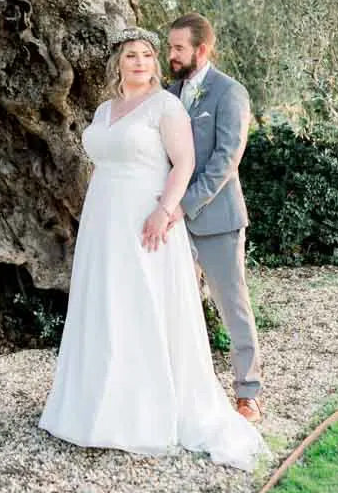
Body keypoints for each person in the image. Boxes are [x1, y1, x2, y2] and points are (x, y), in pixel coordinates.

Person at [39, 27, 267, 470]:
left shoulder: (168, 104)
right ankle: (97, 405)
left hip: (151, 219)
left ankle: (239, 395)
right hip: (105, 221)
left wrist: (166, 210)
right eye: (131, 55)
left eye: (148, 54)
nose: (140, 61)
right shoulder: (106, 108)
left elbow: (189, 162)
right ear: (118, 63)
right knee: (106, 307)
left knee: (153, 306)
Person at [167, 13, 263, 423]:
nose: (170, 55)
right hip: (172, 223)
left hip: (217, 219)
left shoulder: (230, 93)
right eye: (169, 47)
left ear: (201, 49)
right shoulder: (170, 93)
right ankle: (180, 389)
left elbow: (227, 160)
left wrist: (186, 204)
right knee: (174, 305)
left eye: (178, 48)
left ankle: (248, 394)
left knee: (232, 306)